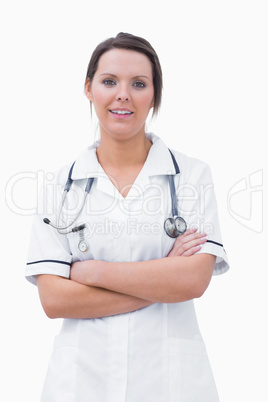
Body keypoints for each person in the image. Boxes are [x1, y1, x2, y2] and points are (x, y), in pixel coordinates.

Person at [26, 32, 229, 402]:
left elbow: (193, 281)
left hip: (170, 384)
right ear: (88, 89)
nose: (123, 94)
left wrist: (91, 272)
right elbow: (54, 300)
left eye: (139, 83)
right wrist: (162, 275)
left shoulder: (192, 176)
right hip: (81, 383)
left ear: (154, 95)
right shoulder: (59, 185)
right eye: (109, 82)